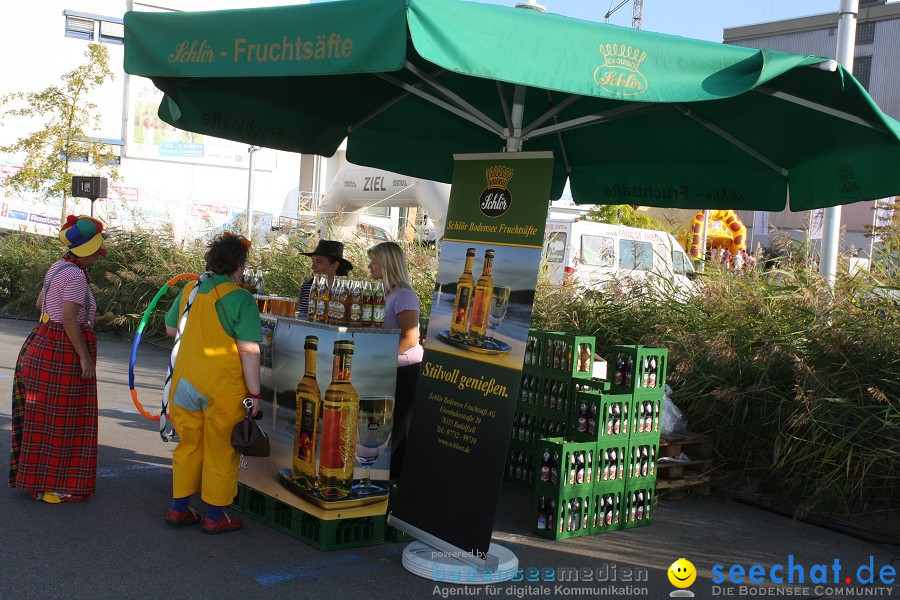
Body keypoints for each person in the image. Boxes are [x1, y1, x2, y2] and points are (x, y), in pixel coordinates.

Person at [163, 231, 263, 534]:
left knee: (188, 446)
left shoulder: (192, 289)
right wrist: (254, 393)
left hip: (184, 383)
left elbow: (170, 328)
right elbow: (249, 349)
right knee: (221, 450)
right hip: (221, 387)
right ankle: (215, 515)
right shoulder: (240, 298)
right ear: (239, 265)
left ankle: (179, 509)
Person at [9, 215, 108, 503]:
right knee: (63, 421)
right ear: (87, 251)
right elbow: (67, 318)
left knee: (42, 419)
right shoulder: (76, 275)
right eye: (97, 252)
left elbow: (43, 304)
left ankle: (38, 483)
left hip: (40, 341)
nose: (99, 257)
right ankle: (53, 486)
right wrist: (84, 358)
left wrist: (88, 314)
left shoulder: (57, 267)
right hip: (61, 350)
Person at [366, 241, 423, 480]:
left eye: (374, 261)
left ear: (387, 264)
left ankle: (396, 486)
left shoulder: (404, 295)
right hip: (391, 369)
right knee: (384, 427)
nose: (369, 266)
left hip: (404, 370)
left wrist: (380, 360)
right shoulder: (388, 293)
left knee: (398, 429)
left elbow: (410, 339)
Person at [297, 239, 353, 319]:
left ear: (335, 265)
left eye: (319, 262)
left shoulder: (348, 291)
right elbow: (299, 316)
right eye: (313, 261)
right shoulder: (306, 287)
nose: (313, 266)